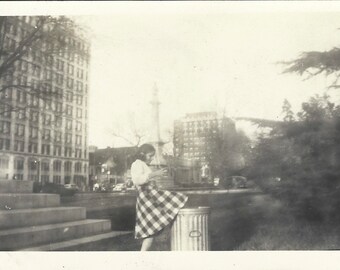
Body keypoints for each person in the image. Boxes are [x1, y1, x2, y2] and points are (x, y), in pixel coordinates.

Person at [131, 143, 188, 251]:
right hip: (147, 197)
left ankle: (143, 254)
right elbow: (137, 180)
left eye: (153, 156)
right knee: (177, 200)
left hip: (150, 196)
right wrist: (154, 174)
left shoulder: (143, 164)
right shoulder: (137, 163)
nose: (152, 159)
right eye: (150, 156)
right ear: (142, 154)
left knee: (152, 230)